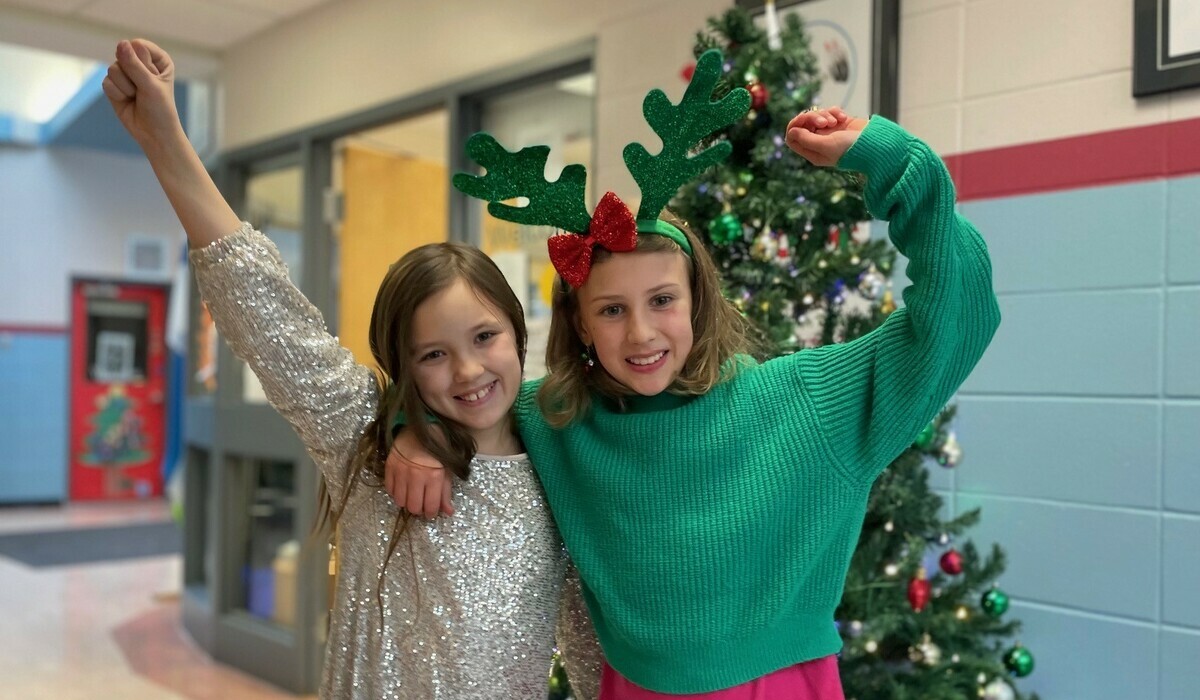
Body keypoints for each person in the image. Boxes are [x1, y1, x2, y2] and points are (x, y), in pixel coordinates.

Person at [386, 50, 1001, 699]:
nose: (642, 333)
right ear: (582, 324)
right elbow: (464, 392)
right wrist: (413, 430)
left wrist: (891, 161)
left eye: (662, 301)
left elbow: (960, 315)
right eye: (612, 310)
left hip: (777, 686)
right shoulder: (557, 416)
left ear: (697, 301)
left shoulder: (805, 402)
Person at [102, 38, 601, 699]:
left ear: (518, 331)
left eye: (485, 337)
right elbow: (263, 309)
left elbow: (592, 640)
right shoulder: (365, 442)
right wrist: (167, 140)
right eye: (433, 355)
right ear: (403, 366)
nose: (468, 370)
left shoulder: (562, 460)